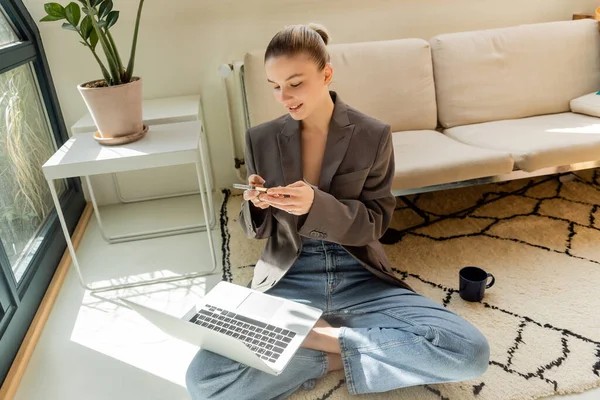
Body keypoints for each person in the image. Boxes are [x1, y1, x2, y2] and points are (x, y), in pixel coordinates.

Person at [186, 23, 490, 400]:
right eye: (275, 86)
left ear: (326, 74)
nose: (284, 97)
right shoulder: (260, 138)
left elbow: (375, 224)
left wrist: (318, 204)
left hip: (360, 275)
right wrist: (257, 204)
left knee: (468, 350)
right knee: (204, 379)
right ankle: (340, 352)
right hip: (290, 278)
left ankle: (317, 342)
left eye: (295, 83)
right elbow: (257, 231)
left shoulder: (372, 134)